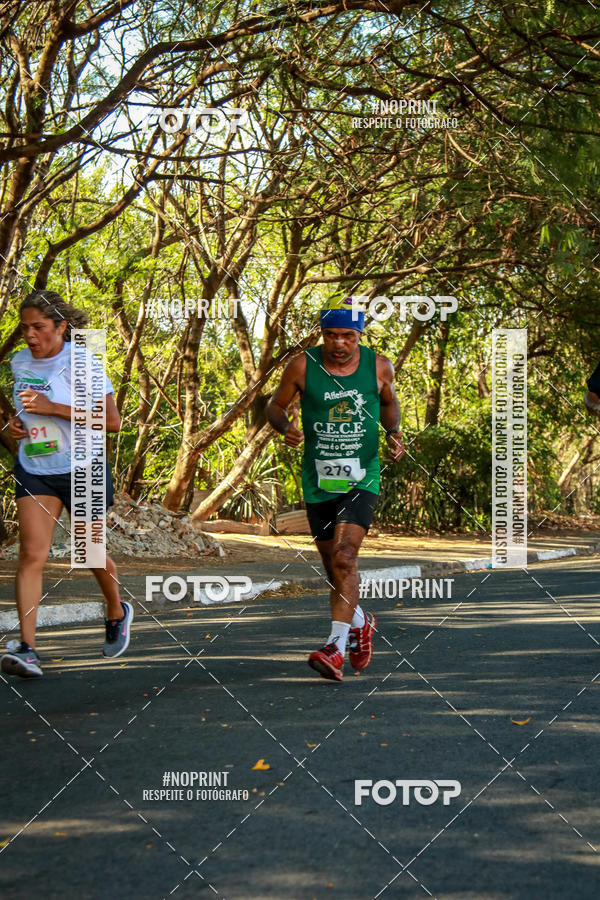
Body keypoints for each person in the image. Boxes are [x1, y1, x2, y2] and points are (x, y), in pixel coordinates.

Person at [266, 297, 405, 681]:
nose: (338, 343)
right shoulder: (302, 366)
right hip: (318, 480)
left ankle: (334, 648)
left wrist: (393, 434)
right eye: (330, 335)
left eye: (347, 335)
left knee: (345, 557)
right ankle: (361, 622)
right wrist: (285, 426)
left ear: (359, 335)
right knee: (333, 568)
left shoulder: (379, 366)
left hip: (363, 477)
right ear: (322, 335)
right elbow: (274, 407)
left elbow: (389, 404)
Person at [1, 290, 133, 678]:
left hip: (83, 466)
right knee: (32, 555)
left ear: (60, 327)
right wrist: (17, 426)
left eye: (38, 327)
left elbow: (112, 422)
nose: (29, 334)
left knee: (88, 552)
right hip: (36, 466)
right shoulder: (20, 362)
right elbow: (24, 411)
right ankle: (28, 648)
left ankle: (116, 609)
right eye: (25, 327)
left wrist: (54, 409)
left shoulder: (83, 362)